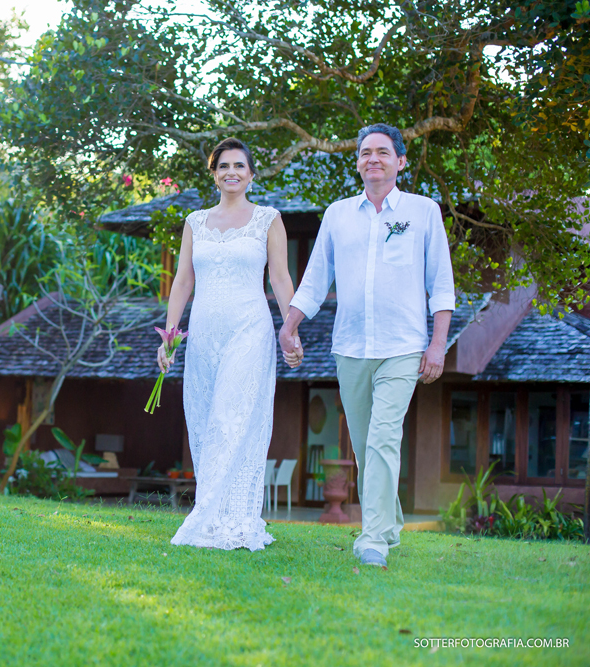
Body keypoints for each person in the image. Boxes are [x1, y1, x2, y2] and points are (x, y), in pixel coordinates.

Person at [278, 123, 455, 568]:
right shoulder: (338, 214)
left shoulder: (423, 211)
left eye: (381, 152)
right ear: (357, 162)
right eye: (364, 153)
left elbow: (441, 283)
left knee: (381, 439)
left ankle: (373, 538)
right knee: (363, 445)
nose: (372, 159)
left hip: (403, 345)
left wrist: (437, 344)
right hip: (350, 347)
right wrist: (289, 325)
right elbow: (316, 277)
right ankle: (390, 521)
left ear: (401, 160)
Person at [158, 137, 297, 551]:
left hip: (249, 331)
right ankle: (218, 514)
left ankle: (221, 518)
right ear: (214, 173)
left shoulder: (268, 219)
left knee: (230, 419)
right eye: (223, 166)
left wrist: (289, 329)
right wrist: (170, 335)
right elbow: (183, 281)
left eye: (239, 165)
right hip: (202, 336)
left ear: (251, 174)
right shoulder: (195, 222)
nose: (231, 172)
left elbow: (280, 279)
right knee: (203, 421)